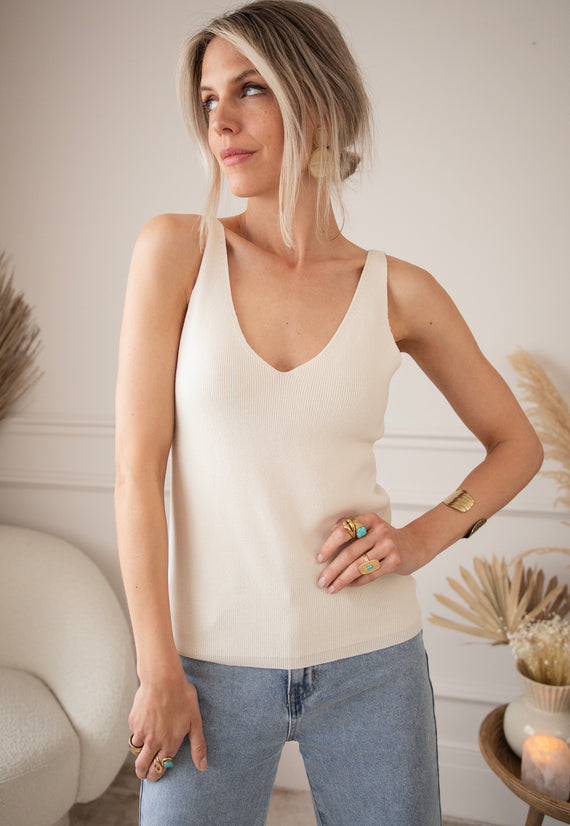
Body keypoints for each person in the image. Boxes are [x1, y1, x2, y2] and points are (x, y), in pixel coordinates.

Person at [114, 2, 543, 824]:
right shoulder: (177, 252)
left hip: (373, 667)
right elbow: (136, 475)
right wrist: (157, 667)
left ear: (316, 100)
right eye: (208, 99)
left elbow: (516, 445)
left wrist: (423, 537)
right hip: (204, 671)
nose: (220, 121)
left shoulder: (398, 289)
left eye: (249, 89)